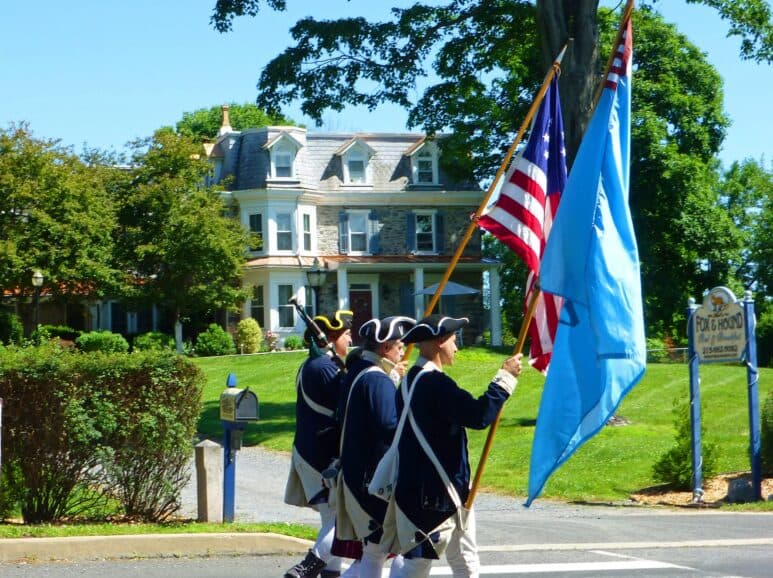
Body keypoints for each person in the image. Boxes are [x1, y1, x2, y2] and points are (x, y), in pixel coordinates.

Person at [388, 315, 522, 578]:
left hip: (434, 489)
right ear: (439, 342)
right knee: (419, 566)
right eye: (452, 339)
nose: (456, 347)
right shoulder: (435, 383)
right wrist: (504, 378)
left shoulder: (410, 380)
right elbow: (478, 416)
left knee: (464, 563)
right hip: (437, 493)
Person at [335, 316, 416, 578]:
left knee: (376, 550)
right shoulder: (376, 380)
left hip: (358, 473)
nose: (402, 351)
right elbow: (390, 425)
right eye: (399, 347)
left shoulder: (359, 371)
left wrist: (391, 377)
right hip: (372, 479)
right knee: (397, 546)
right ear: (385, 349)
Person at [284, 310, 354, 578]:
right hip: (320, 455)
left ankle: (329, 574)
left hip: (311, 451)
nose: (350, 341)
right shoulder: (324, 367)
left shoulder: (317, 365)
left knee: (330, 518)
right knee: (338, 521)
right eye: (346, 335)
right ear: (331, 338)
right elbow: (350, 403)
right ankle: (306, 569)